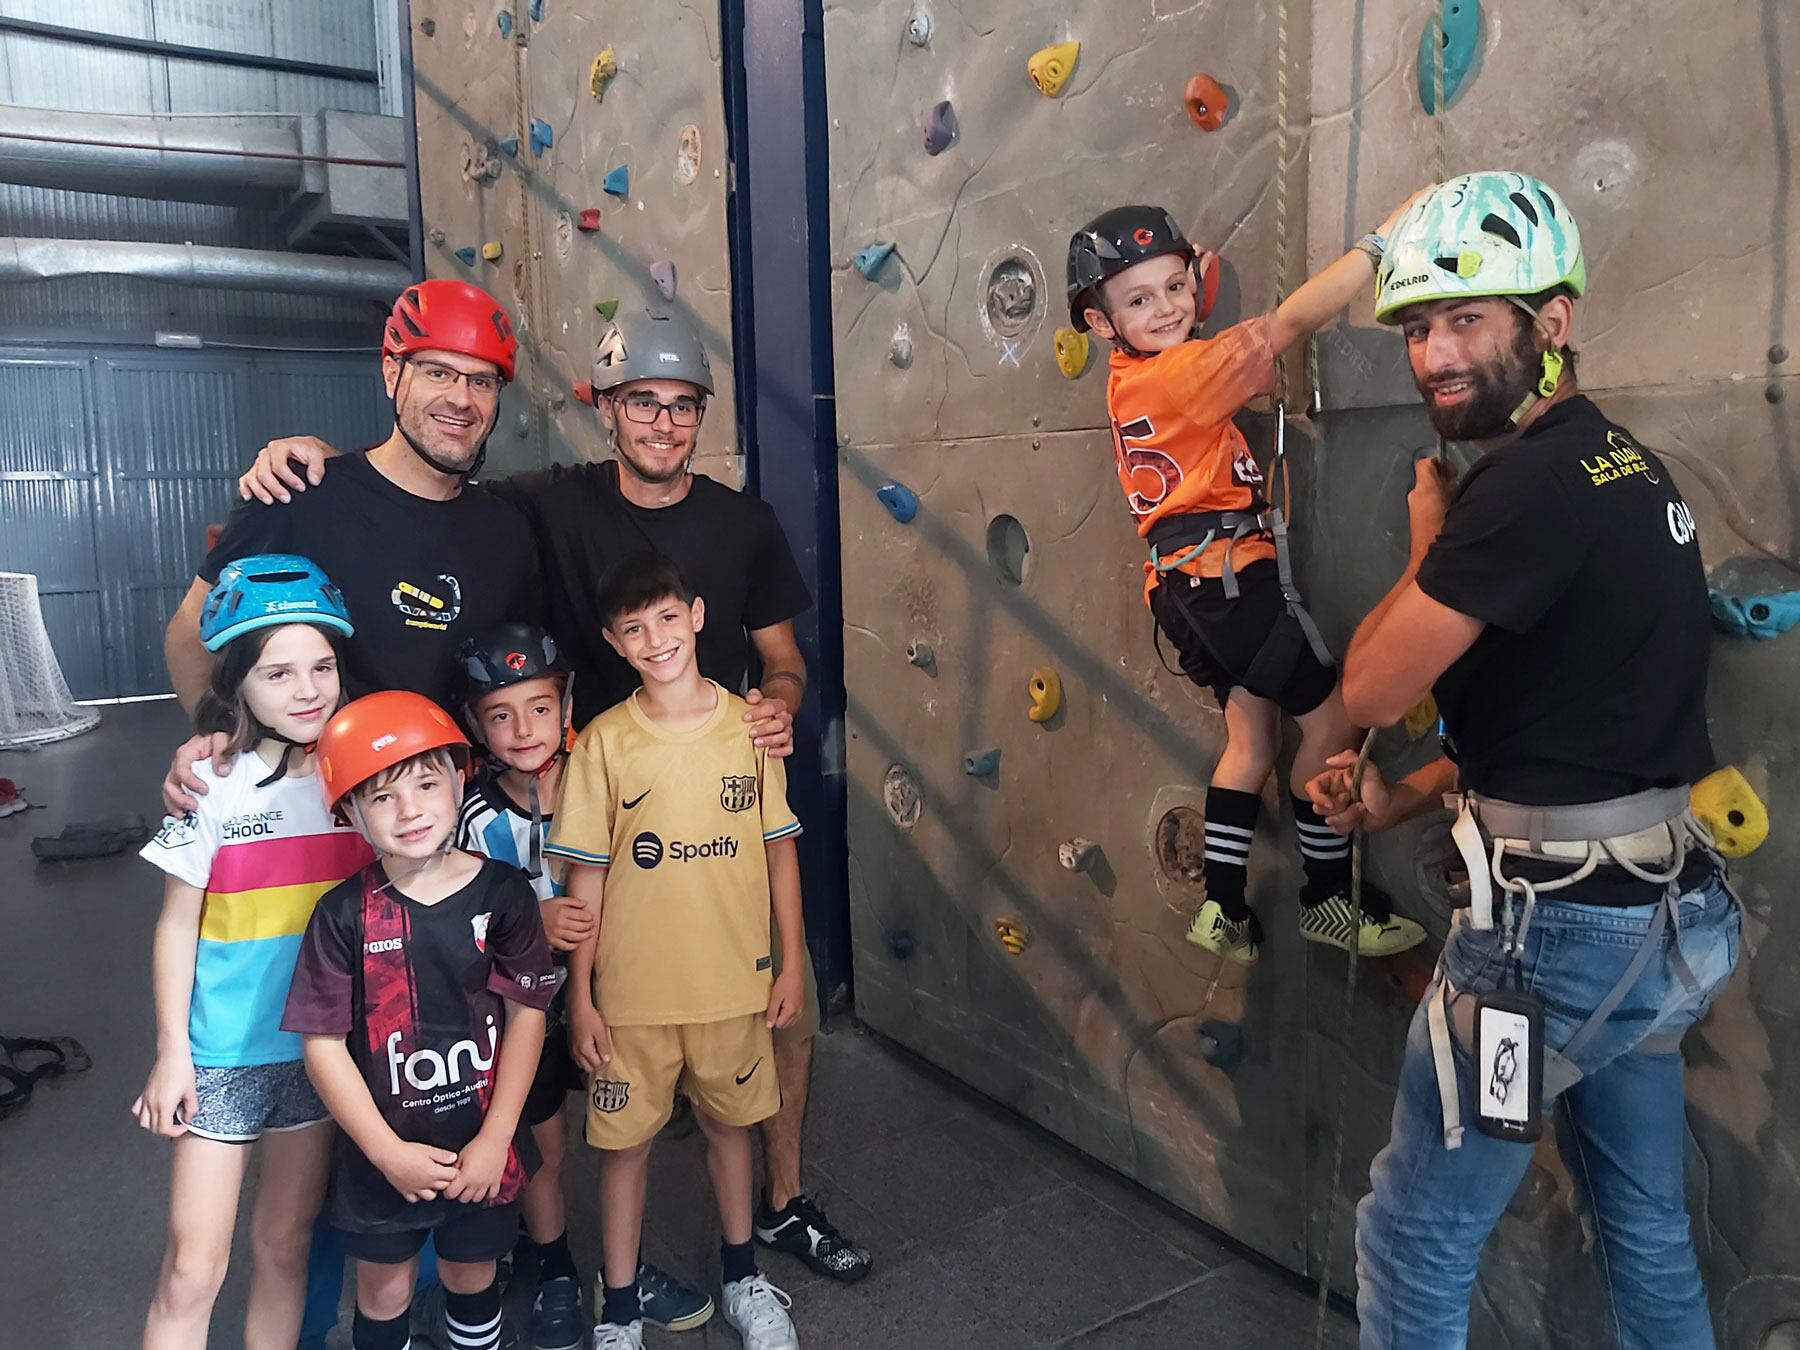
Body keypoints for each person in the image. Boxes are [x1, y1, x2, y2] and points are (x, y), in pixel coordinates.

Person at [237, 308, 871, 1284]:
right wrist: (321, 458)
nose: (662, 423)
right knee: (585, 1020)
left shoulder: (744, 523)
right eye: (641, 402)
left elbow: (783, 658)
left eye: (683, 406)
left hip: (716, 785)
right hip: (594, 797)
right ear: (606, 409)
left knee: (781, 1014)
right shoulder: (550, 502)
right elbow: (430, 477)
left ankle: (780, 1203)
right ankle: (571, 1251)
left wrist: (776, 706)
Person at [1305, 171, 1741, 1347]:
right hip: (1661, 924)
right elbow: (1573, 727)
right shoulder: (1625, 466)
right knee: (1644, 1227)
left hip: (1550, 952)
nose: (1434, 356)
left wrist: (1429, 545)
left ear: (1553, 321)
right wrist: (1401, 796)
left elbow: (1370, 688)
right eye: (1417, 329)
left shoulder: (1525, 490)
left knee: (1415, 1238)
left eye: (1466, 320)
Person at [1067, 196, 1429, 965]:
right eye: (1139, 300)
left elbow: (1178, 297)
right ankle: (1326, 900)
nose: (1167, 308)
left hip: (1183, 592)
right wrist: (1379, 243)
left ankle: (1223, 909)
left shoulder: (1131, 379)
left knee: (1253, 740)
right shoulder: (1184, 373)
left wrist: (1186, 278)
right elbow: (1289, 323)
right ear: (1100, 323)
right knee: (1334, 721)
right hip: (1230, 582)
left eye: (1175, 287)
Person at [547, 554, 805, 1350]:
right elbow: (585, 881)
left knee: (731, 1131)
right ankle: (620, 1309)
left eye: (666, 618)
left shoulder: (749, 728)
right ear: (613, 643)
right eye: (634, 629)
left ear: (696, 615)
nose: (655, 640)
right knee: (624, 1151)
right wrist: (581, 997)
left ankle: (744, 1278)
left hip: (733, 987)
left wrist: (792, 961)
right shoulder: (603, 744)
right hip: (631, 998)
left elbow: (779, 853)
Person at [160, 279, 541, 816]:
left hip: (459, 812)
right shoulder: (296, 495)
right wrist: (220, 734)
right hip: (320, 809)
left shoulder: (506, 530)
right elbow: (190, 631)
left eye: (482, 381)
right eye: (437, 372)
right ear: (391, 373)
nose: (461, 399)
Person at [451, 621, 715, 1344]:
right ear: (474, 724)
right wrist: (528, 918)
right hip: (520, 1009)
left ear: (566, 707)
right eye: (500, 716)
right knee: (544, 1144)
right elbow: (451, 909)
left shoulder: (606, 774)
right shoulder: (467, 813)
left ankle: (624, 1273)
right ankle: (557, 1266)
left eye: (540, 708)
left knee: (625, 1134)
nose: (523, 730)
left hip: (615, 989)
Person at [134, 556, 370, 1350]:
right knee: (191, 1269)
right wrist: (173, 1054)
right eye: (279, 673)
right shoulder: (212, 783)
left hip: (322, 1054)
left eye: (322, 667)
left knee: (284, 1245)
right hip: (225, 1056)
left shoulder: (363, 783)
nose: (308, 690)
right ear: (237, 683)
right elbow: (177, 926)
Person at [282, 690, 557, 1350]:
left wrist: (497, 1138)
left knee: (472, 1274)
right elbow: (323, 1046)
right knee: (384, 1291)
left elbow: (527, 1017)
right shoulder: (341, 916)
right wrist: (386, 1154)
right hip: (385, 1155)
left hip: (483, 1145)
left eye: (427, 785)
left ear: (460, 781)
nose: (410, 810)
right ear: (350, 813)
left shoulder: (505, 893)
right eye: (383, 796)